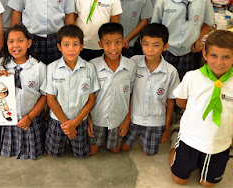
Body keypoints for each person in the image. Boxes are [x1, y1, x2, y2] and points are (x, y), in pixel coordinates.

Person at [170, 30, 233, 186]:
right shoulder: (192, 77)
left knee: (207, 184)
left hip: (219, 142)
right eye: (214, 56)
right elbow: (180, 102)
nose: (219, 62)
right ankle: (175, 148)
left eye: (226, 57)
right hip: (190, 138)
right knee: (179, 180)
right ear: (204, 54)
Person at [152, 0, 214, 80]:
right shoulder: (164, 0)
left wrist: (198, 39)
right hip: (167, 50)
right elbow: (155, 27)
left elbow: (208, 23)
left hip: (190, 52)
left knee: (185, 86)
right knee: (163, 83)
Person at [121, 23, 180, 156]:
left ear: (165, 46)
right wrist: (126, 119)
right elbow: (127, 92)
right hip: (134, 117)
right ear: (140, 42)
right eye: (146, 44)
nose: (150, 49)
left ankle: (173, 135)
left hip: (156, 121)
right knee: (123, 148)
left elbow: (171, 101)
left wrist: (167, 127)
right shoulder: (133, 63)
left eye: (156, 45)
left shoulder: (170, 72)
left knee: (149, 153)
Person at [41, 25, 99, 158]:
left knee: (82, 154)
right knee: (54, 154)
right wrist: (66, 124)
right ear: (59, 47)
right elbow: (50, 99)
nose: (71, 49)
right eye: (66, 45)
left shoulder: (89, 68)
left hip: (80, 120)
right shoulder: (52, 68)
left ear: (82, 46)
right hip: (57, 120)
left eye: (75, 44)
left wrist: (75, 123)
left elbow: (91, 100)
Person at [0, 23, 46, 159]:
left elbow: (44, 96)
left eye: (20, 40)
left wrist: (29, 117)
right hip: (9, 118)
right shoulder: (1, 64)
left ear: (29, 43)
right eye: (11, 41)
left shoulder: (39, 67)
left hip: (31, 118)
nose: (15, 45)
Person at [88, 22, 136, 155]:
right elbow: (87, 96)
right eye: (107, 43)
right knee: (92, 151)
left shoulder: (131, 66)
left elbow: (130, 94)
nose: (113, 48)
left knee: (114, 150)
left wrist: (126, 120)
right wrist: (88, 120)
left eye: (118, 42)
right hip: (97, 117)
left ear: (124, 42)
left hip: (118, 118)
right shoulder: (93, 66)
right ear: (100, 45)